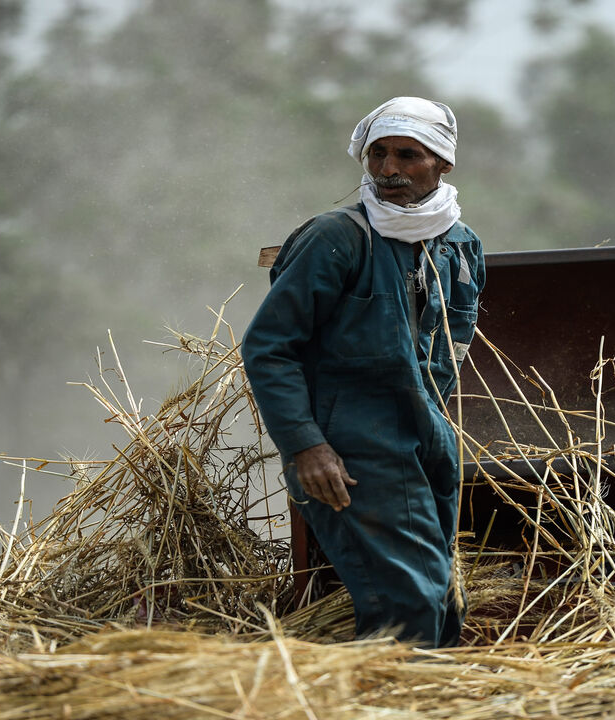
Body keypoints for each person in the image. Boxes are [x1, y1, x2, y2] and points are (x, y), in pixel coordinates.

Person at [242, 97, 485, 648]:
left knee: (444, 605)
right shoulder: (338, 238)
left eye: (407, 155)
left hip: (428, 441)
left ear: (443, 163)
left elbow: (448, 353)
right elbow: (269, 348)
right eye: (377, 154)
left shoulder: (460, 246)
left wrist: (435, 431)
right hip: (350, 452)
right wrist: (307, 446)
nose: (388, 170)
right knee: (407, 607)